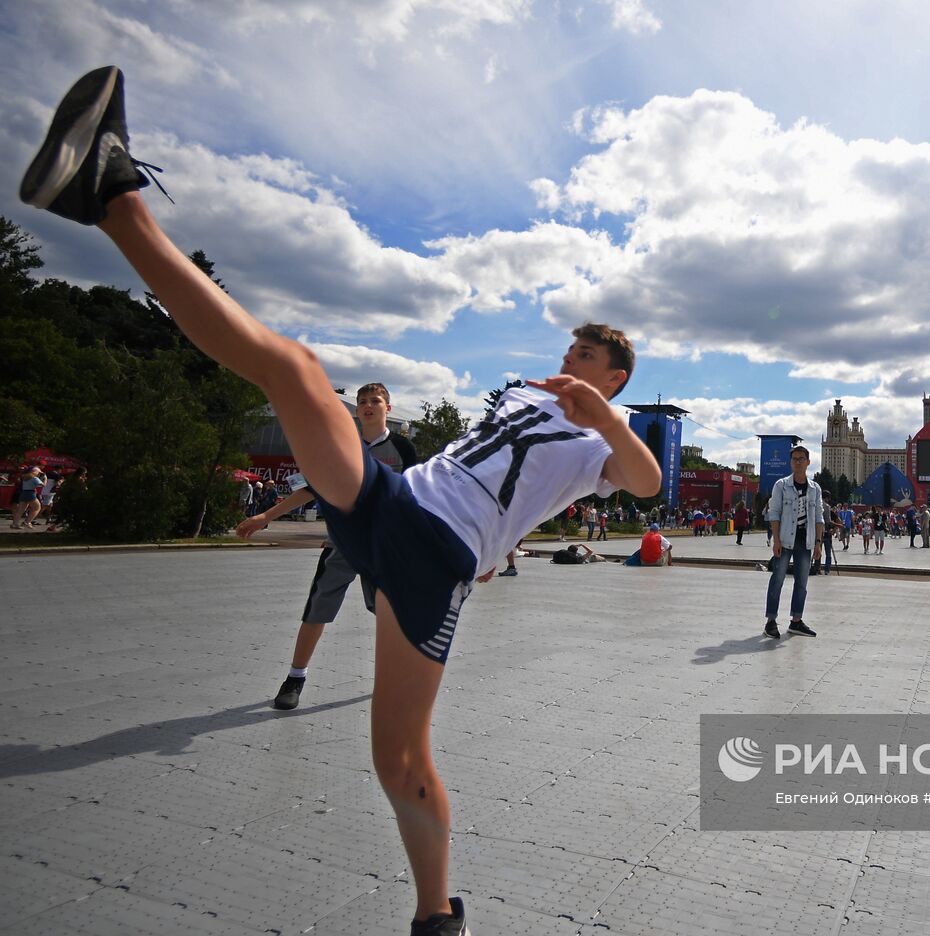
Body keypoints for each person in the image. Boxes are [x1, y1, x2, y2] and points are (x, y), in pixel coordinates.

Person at [20, 66, 663, 936]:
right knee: (294, 368)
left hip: (437, 562)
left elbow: (649, 485)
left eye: (587, 359)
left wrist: (604, 420)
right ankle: (109, 197)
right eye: (570, 351)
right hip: (391, 501)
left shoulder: (596, 447)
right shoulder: (524, 390)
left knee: (396, 759)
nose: (569, 363)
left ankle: (437, 915)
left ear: (615, 377)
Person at [238, 382, 419, 712]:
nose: (368, 405)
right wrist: (266, 515)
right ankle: (295, 678)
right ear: (356, 411)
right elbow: (311, 489)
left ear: (387, 409)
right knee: (317, 609)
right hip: (344, 542)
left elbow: (419, 496)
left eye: (375, 400)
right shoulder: (342, 447)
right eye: (362, 401)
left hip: (385, 547)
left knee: (392, 616)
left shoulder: (403, 449)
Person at [763, 446, 823, 638]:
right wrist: (776, 539)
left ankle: (796, 621)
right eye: (795, 459)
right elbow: (774, 513)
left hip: (805, 541)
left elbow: (819, 517)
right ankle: (771, 621)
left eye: (801, 459)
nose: (798, 462)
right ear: (791, 462)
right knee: (777, 579)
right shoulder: (781, 485)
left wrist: (818, 543)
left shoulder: (815, 489)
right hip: (785, 539)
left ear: (808, 462)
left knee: (802, 583)